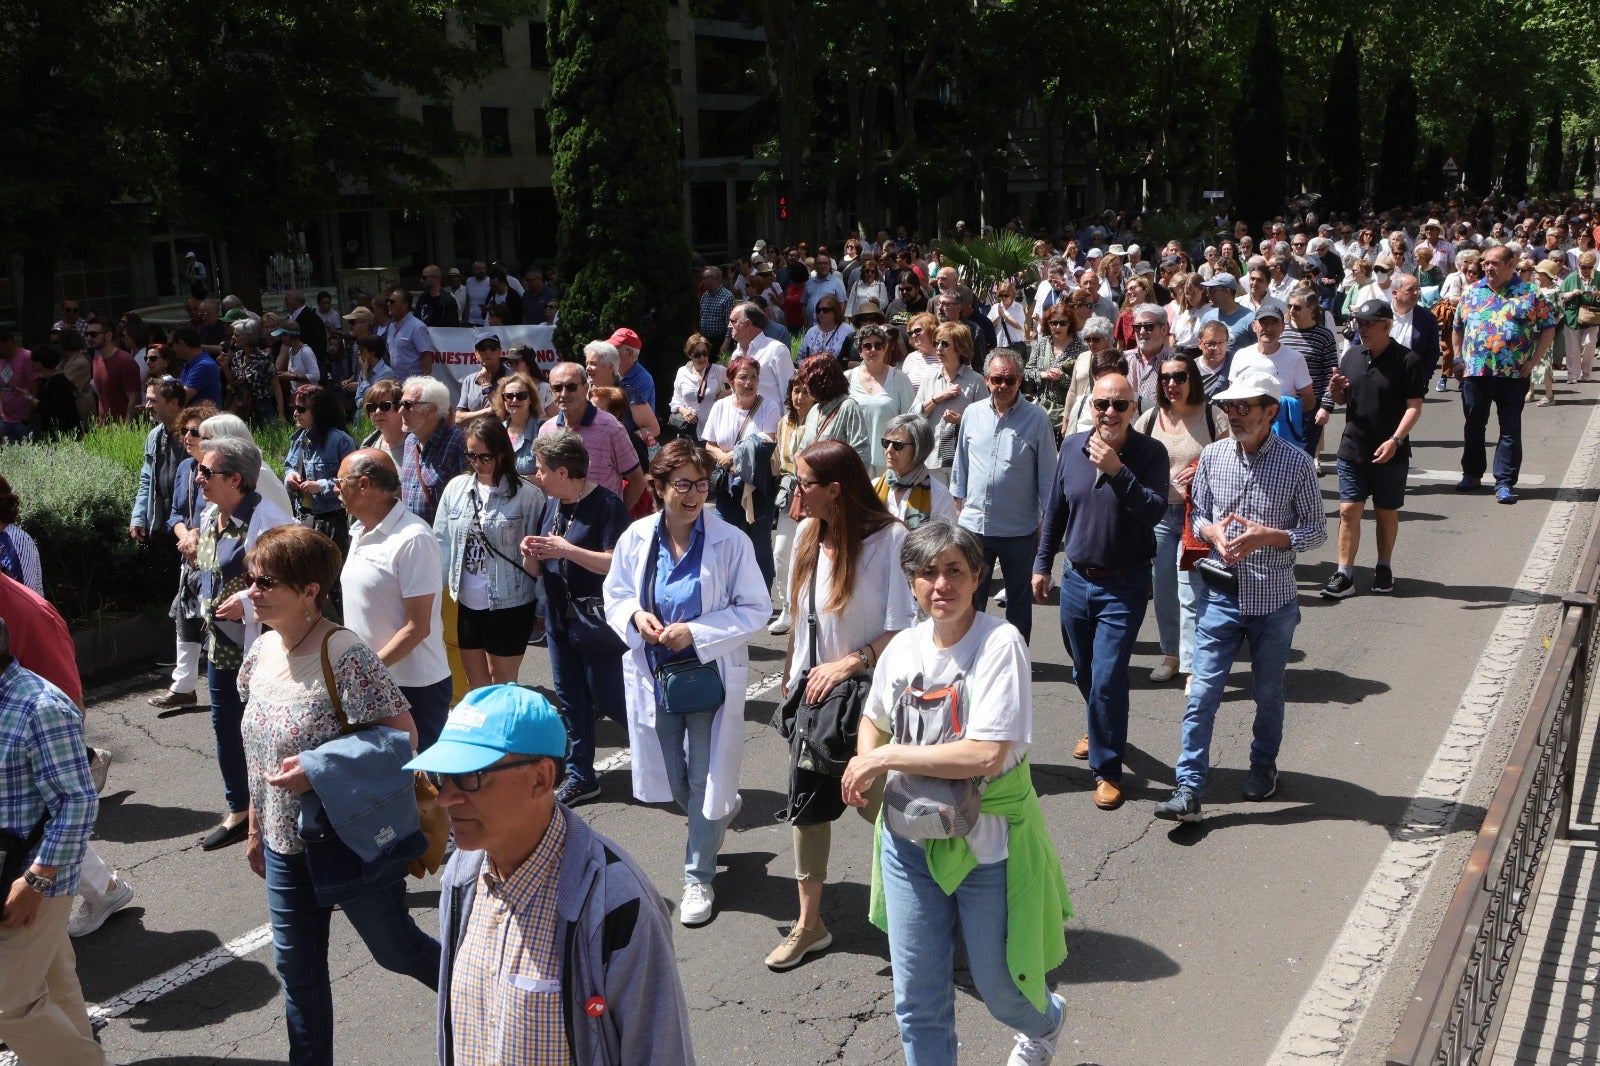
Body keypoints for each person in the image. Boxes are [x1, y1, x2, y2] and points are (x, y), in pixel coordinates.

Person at [842, 521, 1071, 1066]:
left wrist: (882, 758)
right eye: (926, 573)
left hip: (985, 845)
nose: (940, 584)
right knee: (916, 998)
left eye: (953, 571)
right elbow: (874, 718)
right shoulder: (901, 647)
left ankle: (1047, 1022)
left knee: (1001, 989)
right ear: (912, 583)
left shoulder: (999, 643)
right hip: (908, 840)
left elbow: (984, 755)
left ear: (976, 578)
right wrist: (867, 752)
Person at [238, 525, 439, 1066]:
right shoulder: (258, 653)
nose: (251, 591)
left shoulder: (345, 653)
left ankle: (487, 999)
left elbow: (404, 738)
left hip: (347, 839)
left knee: (398, 952)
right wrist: (257, 830)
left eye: (266, 581)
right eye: (249, 579)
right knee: (297, 977)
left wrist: (317, 768)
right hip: (285, 849)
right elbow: (258, 754)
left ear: (310, 591)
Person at [413, 685, 696, 1066]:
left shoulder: (618, 906)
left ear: (541, 779)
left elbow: (660, 1053)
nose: (446, 797)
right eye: (443, 775)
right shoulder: (462, 878)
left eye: (469, 777)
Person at [602, 440, 770, 927]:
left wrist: (693, 632)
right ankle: (719, 812)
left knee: (701, 776)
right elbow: (614, 593)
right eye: (683, 484)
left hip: (707, 676)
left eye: (701, 483)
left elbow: (755, 607)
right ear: (657, 487)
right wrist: (636, 615)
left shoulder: (730, 541)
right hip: (655, 676)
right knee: (676, 780)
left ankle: (698, 875)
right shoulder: (637, 538)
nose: (695, 494)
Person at [1154, 367, 1327, 823]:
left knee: (1267, 693)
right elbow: (1199, 519)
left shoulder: (1296, 463)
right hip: (1221, 596)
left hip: (1273, 602)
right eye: (1228, 406)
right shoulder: (1212, 456)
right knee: (1202, 693)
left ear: (1271, 412)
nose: (1233, 414)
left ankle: (1263, 765)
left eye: (1243, 407)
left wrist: (1269, 536)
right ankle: (1189, 786)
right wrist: (1212, 532)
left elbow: (1315, 532)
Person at [769, 439, 914, 969]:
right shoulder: (809, 533)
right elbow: (798, 620)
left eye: (803, 482)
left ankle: (928, 905)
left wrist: (850, 662)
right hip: (815, 701)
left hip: (872, 703)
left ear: (835, 490)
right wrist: (791, 680)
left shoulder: (891, 541)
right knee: (807, 810)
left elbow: (904, 628)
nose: (795, 491)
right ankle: (810, 925)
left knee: (885, 807)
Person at [1032, 372, 1168, 812]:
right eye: (1101, 404)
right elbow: (1055, 510)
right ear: (1090, 405)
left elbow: (1152, 510)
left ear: (1134, 409)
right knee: (1083, 671)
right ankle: (1099, 721)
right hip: (1075, 580)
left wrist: (1116, 470)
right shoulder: (1071, 447)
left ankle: (1107, 770)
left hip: (1124, 584)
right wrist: (1042, 564)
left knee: (1108, 678)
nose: (1109, 412)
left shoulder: (1150, 453)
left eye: (1120, 405)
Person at [0, 617, 107, 1066]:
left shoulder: (39, 707)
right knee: (55, 981)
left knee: (8, 1005)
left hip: (31, 878)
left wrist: (36, 881)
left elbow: (77, 804)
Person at [194, 435, 295, 851]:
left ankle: (274, 812)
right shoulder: (211, 513)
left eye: (207, 471)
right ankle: (239, 808)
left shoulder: (268, 522)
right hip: (219, 645)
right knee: (225, 727)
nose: (198, 477)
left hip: (259, 647)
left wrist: (249, 607)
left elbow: (286, 587)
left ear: (236, 479)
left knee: (263, 732)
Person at [522, 431, 631, 806]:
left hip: (597, 622)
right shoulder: (551, 505)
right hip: (559, 619)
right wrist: (531, 550)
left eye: (541, 469)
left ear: (563, 472)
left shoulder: (606, 505)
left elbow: (616, 562)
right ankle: (582, 775)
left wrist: (566, 549)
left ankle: (667, 752)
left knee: (611, 698)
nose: (537, 476)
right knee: (571, 701)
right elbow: (537, 569)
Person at [337, 449, 454, 752]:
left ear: (364, 484)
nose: (335, 488)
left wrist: (367, 671)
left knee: (423, 787)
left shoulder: (413, 538)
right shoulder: (359, 532)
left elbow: (418, 627)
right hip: (374, 680)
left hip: (415, 688)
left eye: (340, 481)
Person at [1317, 300, 1428, 599]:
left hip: (1390, 451)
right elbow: (1343, 401)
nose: (1361, 329)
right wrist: (1337, 390)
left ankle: (1383, 566)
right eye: (1359, 323)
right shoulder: (1351, 356)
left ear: (1386, 326)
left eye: (1368, 323)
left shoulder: (1408, 361)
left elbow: (1414, 407)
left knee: (1385, 513)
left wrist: (1396, 440)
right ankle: (1345, 573)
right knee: (1348, 510)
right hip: (1352, 448)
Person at [950, 349, 1059, 643]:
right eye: (997, 379)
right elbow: (961, 467)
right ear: (986, 380)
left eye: (1010, 380)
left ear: (1020, 380)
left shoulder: (1037, 420)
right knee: (970, 601)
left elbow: (1049, 479)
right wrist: (959, 510)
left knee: (1019, 603)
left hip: (1018, 531)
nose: (1003, 386)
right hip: (974, 528)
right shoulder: (971, 414)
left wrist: (1047, 528)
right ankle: (972, 655)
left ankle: (1017, 658)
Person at [1135, 352, 1228, 686]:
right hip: (1159, 515)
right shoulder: (1148, 419)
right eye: (1165, 378)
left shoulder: (1214, 416)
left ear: (1193, 380)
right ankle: (1171, 654)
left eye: (1179, 377)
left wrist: (1203, 467)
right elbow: (1133, 459)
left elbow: (1231, 461)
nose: (1171, 384)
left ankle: (1192, 665)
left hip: (1196, 516)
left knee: (1191, 591)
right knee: (1163, 590)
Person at [435, 418, 546, 688]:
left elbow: (542, 558)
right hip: (467, 602)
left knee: (503, 686)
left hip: (511, 603)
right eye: (471, 455)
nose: (477, 463)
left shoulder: (528, 496)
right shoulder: (456, 489)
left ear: (502, 454)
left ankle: (507, 732)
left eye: (484, 456)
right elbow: (441, 542)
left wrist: (542, 607)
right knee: (477, 686)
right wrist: (433, 595)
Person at [1453, 243, 1557, 504]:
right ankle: (1472, 473)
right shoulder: (1471, 293)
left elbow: (1549, 328)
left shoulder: (1530, 293)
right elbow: (1457, 327)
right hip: (1476, 373)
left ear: (1511, 265)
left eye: (1494, 263)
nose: (1488, 267)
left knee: (1510, 428)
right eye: (1485, 263)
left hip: (1514, 374)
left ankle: (1504, 482)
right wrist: (1457, 358)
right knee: (1474, 426)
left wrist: (1533, 362)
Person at [701, 354, 781, 589]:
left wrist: (732, 456)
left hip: (758, 488)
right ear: (731, 380)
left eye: (754, 377)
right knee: (725, 542)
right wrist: (724, 460)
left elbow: (768, 441)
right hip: (728, 487)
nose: (749, 383)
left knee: (759, 547)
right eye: (743, 377)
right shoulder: (720, 407)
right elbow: (709, 444)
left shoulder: (769, 407)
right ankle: (728, 593)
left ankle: (763, 598)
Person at [539, 361, 647, 512]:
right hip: (559, 522)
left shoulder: (611, 428)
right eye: (557, 388)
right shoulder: (546, 430)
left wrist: (614, 516)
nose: (563, 394)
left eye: (571, 387)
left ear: (585, 388)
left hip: (599, 528)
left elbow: (637, 481)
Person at [284, 384, 357, 558]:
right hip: (303, 517)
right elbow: (289, 466)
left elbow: (354, 481)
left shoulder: (341, 441)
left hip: (333, 521)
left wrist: (321, 486)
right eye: (294, 408)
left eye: (301, 409)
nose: (295, 413)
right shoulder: (298, 439)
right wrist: (290, 476)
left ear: (318, 410)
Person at [912, 321, 989, 484]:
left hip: (963, 460)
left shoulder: (976, 381)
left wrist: (960, 420)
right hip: (932, 458)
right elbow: (913, 415)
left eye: (945, 344)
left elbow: (986, 423)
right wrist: (937, 398)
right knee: (936, 508)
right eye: (936, 343)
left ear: (960, 348)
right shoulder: (929, 379)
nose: (938, 348)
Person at [770, 377, 816, 636]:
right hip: (789, 491)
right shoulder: (784, 422)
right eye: (796, 391)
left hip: (813, 489)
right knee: (781, 552)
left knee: (808, 553)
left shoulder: (819, 419)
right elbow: (779, 460)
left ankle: (806, 609)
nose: (800, 397)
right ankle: (788, 608)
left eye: (806, 391)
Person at [847, 322, 918, 476]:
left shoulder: (899, 378)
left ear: (885, 348)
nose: (873, 350)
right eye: (867, 346)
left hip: (890, 460)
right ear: (859, 351)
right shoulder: (848, 379)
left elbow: (910, 422)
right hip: (854, 460)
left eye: (878, 345)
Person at [399, 375, 468, 526]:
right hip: (412, 541)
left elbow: (467, 503)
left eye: (408, 405)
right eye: (401, 404)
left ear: (431, 409)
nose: (400, 411)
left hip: (441, 544)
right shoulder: (410, 441)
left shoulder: (459, 443)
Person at [874, 414, 957, 528]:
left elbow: (945, 543)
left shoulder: (938, 495)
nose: (889, 450)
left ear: (919, 448)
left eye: (898, 445)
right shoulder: (874, 487)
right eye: (886, 443)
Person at [1024, 300, 1085, 430]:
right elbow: (1027, 371)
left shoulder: (1080, 347)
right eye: (1053, 323)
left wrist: (1062, 378)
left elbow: (1084, 385)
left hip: (1068, 413)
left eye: (1062, 323)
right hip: (1042, 410)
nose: (1057, 327)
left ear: (1070, 324)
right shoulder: (1043, 343)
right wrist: (1042, 374)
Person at [671, 333, 728, 441]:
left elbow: (740, 382)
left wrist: (727, 393)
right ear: (689, 355)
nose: (702, 357)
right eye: (697, 355)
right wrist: (684, 411)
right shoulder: (682, 372)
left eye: (705, 353)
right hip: (688, 431)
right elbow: (676, 399)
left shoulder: (717, 370)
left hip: (712, 432)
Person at [1558, 249, 1599, 383]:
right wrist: (1572, 294)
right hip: (1572, 315)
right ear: (1579, 265)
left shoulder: (1598, 277)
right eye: (1583, 267)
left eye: (1589, 267)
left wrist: (1598, 294)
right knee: (1572, 348)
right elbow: (1559, 296)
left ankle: (1586, 374)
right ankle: (1573, 376)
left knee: (1589, 344)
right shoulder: (1571, 277)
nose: (1586, 270)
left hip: (1592, 315)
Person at [493, 370, 545, 478]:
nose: (514, 400)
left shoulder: (543, 430)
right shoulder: (496, 431)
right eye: (509, 396)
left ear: (531, 399)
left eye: (521, 395)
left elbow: (550, 478)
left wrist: (517, 482)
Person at [454, 335, 510, 427]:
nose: (488, 351)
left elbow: (508, 414)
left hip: (503, 437)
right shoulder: (469, 380)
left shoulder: (512, 377)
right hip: (474, 437)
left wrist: (486, 386)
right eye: (482, 348)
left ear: (500, 351)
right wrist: (490, 410)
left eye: (492, 347)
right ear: (476, 354)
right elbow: (459, 419)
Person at [383, 287, 437, 379]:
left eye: (392, 302)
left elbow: (426, 357)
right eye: (388, 301)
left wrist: (425, 382)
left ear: (404, 306)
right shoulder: (391, 326)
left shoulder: (417, 327)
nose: (388, 304)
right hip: (395, 382)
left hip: (413, 384)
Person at [797, 294, 855, 363]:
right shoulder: (811, 332)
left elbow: (852, 359)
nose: (821, 313)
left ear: (835, 311)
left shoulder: (848, 331)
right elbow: (801, 357)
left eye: (826, 310)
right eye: (818, 310)